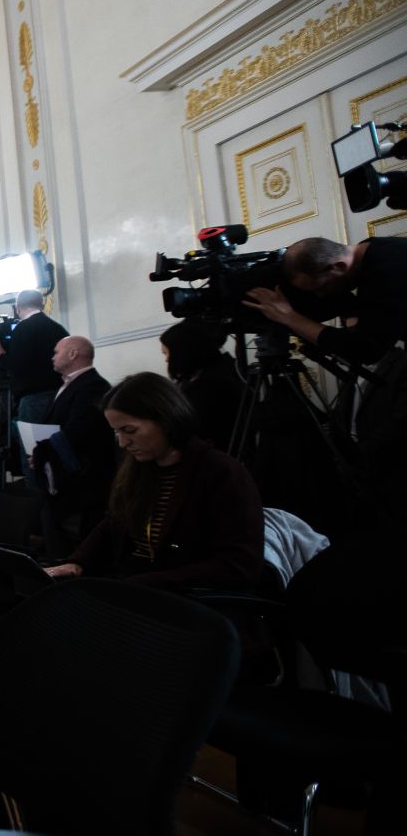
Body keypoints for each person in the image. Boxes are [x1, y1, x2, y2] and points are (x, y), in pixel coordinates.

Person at [45, 372, 264, 592]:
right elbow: (115, 523)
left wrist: (139, 584)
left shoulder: (220, 472)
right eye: (117, 432)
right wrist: (77, 562)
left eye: (129, 430)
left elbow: (238, 566)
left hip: (185, 601)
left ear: (166, 420)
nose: (122, 442)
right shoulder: (140, 468)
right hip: (139, 588)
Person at [245, 236, 407, 366]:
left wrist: (289, 317)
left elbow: (367, 351)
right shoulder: (378, 250)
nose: (321, 295)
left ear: (338, 267)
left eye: (321, 287)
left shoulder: (385, 273)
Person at [32, 335, 116, 555]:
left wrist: (44, 452)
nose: (52, 357)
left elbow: (79, 431)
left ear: (73, 354)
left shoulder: (93, 385)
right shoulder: (69, 385)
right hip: (61, 475)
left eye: (56, 352)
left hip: (81, 481)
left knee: (73, 542)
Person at [159, 320, 245, 452]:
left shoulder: (213, 385)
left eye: (167, 353)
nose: (166, 359)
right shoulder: (204, 375)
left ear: (183, 352)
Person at [0, 289, 69, 422]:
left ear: (17, 308)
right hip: (60, 395)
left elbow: (19, 365)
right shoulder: (58, 328)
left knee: (34, 441)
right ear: (41, 305)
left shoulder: (23, 328)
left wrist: (0, 356)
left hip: (34, 398)